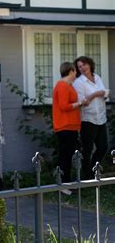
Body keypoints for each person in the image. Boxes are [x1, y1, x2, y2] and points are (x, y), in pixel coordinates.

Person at [73, 56, 110, 179]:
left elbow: (106, 93)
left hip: (101, 117)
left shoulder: (97, 77)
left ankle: (94, 170)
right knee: (87, 150)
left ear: (89, 64)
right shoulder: (79, 82)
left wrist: (94, 94)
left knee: (103, 147)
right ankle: (86, 176)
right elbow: (82, 101)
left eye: (84, 64)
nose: (83, 68)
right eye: (80, 66)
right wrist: (97, 94)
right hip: (88, 119)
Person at [52, 62, 85, 194]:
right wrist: (79, 103)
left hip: (70, 126)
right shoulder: (62, 86)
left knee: (68, 155)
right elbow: (64, 106)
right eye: (75, 71)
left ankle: (66, 183)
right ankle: (62, 185)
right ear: (71, 71)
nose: (76, 73)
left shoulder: (68, 85)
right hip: (64, 126)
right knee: (65, 156)